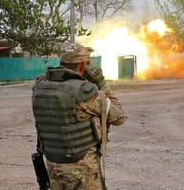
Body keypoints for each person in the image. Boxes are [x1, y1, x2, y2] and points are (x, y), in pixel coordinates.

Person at [32, 43, 126, 190]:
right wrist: (100, 82)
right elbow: (119, 117)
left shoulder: (40, 86)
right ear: (83, 65)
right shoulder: (85, 93)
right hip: (83, 170)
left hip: (53, 166)